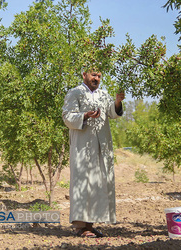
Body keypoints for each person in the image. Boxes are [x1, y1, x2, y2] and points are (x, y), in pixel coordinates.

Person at [62, 69, 125, 238]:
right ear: (84, 75)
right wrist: (85, 115)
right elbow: (67, 116)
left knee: (97, 183)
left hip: (101, 145)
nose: (96, 78)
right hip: (82, 146)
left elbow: (112, 113)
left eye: (99, 75)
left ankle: (90, 225)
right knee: (82, 183)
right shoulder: (75, 92)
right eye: (93, 75)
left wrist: (117, 102)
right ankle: (80, 227)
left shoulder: (104, 95)